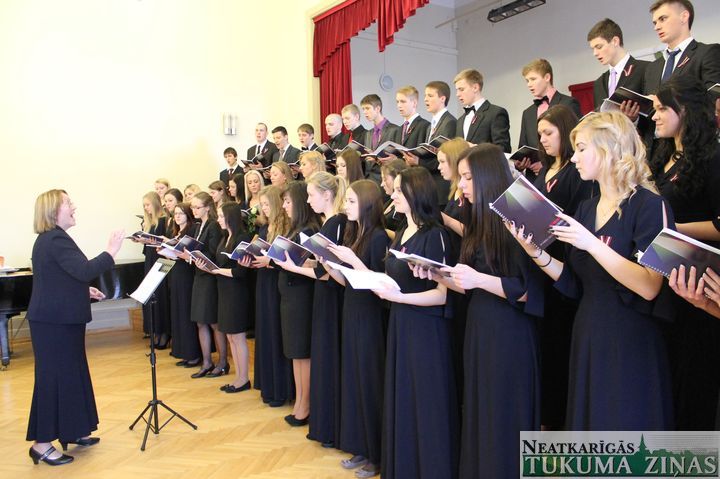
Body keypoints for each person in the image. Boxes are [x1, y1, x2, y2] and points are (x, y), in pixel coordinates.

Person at [508, 111, 675, 430]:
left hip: (630, 338)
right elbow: (575, 282)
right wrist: (535, 253)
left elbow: (650, 285)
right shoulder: (586, 209)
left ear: (609, 148)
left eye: (582, 149)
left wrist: (593, 244)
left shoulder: (651, 206)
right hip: (588, 331)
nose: (574, 158)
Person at [428, 144, 543, 479]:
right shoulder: (480, 218)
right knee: (482, 412)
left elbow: (527, 291)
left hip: (509, 334)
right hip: (480, 327)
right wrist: (436, 274)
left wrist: (478, 279)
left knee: (504, 417)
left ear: (487, 177)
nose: (461, 185)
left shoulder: (520, 215)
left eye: (467, 178)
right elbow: (469, 283)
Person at [371, 167, 457, 479]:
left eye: (398, 190)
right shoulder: (401, 231)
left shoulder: (435, 234)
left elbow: (443, 295)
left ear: (416, 193)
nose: (392, 195)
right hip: (401, 323)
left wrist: (400, 298)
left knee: (426, 402)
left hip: (426, 330)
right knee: (404, 398)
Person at [26, 189, 124, 466]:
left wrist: (83, 291)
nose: (74, 207)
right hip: (53, 324)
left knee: (72, 375)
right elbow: (84, 270)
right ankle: (41, 444)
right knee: (53, 379)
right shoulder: (55, 238)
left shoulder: (52, 239)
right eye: (68, 203)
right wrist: (111, 250)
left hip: (58, 320)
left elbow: (60, 278)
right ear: (53, 210)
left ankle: (74, 429)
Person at [649, 75, 720, 429]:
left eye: (662, 108)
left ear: (685, 111)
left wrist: (673, 229)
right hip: (668, 275)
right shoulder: (662, 155)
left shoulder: (712, 157)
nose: (655, 116)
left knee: (695, 379)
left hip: (699, 281)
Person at [534, 105, 597, 429]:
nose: (543, 139)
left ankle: (559, 421)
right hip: (541, 262)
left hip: (563, 261)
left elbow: (576, 217)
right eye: (540, 134)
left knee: (561, 344)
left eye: (549, 133)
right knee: (547, 345)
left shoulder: (576, 173)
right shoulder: (543, 170)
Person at [274, 172, 347, 447]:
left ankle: (311, 408)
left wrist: (292, 265)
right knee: (303, 354)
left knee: (314, 355)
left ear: (327, 195)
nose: (307, 200)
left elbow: (326, 271)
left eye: (311, 195)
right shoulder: (327, 222)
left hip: (327, 296)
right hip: (319, 294)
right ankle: (306, 405)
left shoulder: (334, 223)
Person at [325, 179, 390, 478]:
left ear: (366, 204)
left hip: (370, 317)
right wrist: (330, 264)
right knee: (355, 381)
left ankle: (377, 454)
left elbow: (379, 285)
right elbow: (348, 282)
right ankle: (362, 445)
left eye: (351, 201)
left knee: (370, 383)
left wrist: (352, 260)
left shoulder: (378, 237)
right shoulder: (355, 233)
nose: (345, 206)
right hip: (352, 311)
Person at [276, 181, 320, 426]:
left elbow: (315, 264)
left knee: (302, 353)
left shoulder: (310, 230)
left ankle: (306, 404)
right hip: (290, 296)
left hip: (302, 296)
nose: (284, 206)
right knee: (295, 353)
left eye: (288, 201)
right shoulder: (297, 228)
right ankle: (300, 400)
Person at [197, 203, 253, 393]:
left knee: (238, 336)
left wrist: (216, 271)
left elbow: (240, 272)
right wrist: (207, 266)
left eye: (222, 216)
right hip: (224, 290)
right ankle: (238, 377)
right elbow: (219, 263)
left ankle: (244, 379)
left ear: (231, 217)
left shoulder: (242, 237)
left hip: (237, 292)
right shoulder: (224, 237)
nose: (219, 219)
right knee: (230, 336)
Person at [247, 185, 294, 407]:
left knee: (277, 333)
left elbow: (288, 259)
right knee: (266, 332)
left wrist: (270, 261)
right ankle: (268, 385)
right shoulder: (265, 228)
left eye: (267, 204)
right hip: (264, 282)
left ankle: (281, 389)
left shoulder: (287, 227)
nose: (263, 208)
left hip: (277, 284)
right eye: (262, 205)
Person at [516, 59, 581, 179]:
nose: (529, 84)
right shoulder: (527, 113)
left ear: (547, 77)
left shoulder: (568, 103)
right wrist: (521, 164)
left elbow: (575, 140)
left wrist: (546, 165)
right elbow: (523, 146)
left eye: (533, 79)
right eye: (527, 81)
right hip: (535, 178)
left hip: (564, 173)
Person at [187, 192, 226, 378]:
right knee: (200, 321)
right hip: (199, 276)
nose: (194, 210)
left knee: (213, 322)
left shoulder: (213, 225)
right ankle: (207, 362)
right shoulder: (198, 226)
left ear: (208, 208)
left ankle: (223, 362)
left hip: (210, 278)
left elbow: (214, 252)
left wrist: (196, 255)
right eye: (192, 207)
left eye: (197, 207)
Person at [403, 80, 457, 207]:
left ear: (442, 98)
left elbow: (447, 158)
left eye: (430, 96)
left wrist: (419, 162)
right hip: (431, 184)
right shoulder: (430, 125)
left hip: (442, 186)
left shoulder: (449, 122)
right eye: (425, 96)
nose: (425, 99)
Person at [165, 203, 201, 368]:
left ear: (188, 215)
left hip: (186, 275)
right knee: (177, 312)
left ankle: (192, 354)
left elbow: (190, 254)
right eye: (175, 214)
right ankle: (182, 352)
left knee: (186, 313)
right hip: (176, 274)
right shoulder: (176, 232)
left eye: (181, 213)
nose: (177, 216)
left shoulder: (191, 231)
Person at [587, 18, 650, 110]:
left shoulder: (646, 69)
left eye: (599, 47)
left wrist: (635, 117)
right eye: (593, 49)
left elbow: (653, 109)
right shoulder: (599, 83)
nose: (595, 53)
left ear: (615, 41)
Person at [137, 192, 170, 347]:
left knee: (161, 297)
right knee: (152, 296)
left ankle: (164, 333)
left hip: (162, 261)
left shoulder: (163, 221)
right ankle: (155, 332)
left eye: (148, 204)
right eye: (144, 205)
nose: (146, 208)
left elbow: (166, 243)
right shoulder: (149, 223)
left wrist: (151, 240)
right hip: (150, 261)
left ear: (156, 204)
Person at [453, 68, 511, 152]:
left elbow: (503, 148)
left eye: (461, 89)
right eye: (457, 90)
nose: (457, 94)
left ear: (475, 87)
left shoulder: (496, 113)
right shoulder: (460, 120)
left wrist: (476, 148)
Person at [360, 94, 401, 184]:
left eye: (367, 108)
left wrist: (378, 159)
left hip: (387, 179)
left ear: (378, 109)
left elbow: (399, 157)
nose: (364, 112)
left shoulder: (395, 130)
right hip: (369, 179)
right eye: (363, 109)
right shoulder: (368, 133)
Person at [380, 159, 409, 239]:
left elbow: (403, 237)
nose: (382, 184)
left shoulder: (405, 206)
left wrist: (377, 229)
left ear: (396, 177)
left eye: (385, 179)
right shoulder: (390, 201)